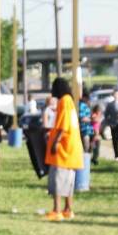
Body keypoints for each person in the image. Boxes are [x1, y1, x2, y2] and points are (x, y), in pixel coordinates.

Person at [44, 78, 83, 221]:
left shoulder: (64, 101)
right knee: (69, 181)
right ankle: (68, 209)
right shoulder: (70, 101)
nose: (52, 91)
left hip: (63, 148)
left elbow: (64, 124)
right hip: (72, 148)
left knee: (58, 180)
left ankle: (57, 211)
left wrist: (56, 141)